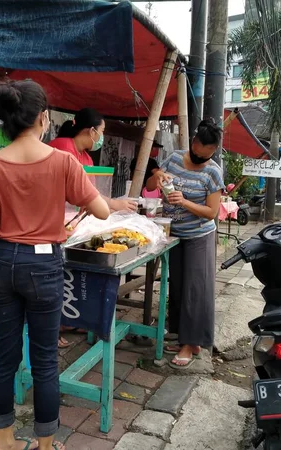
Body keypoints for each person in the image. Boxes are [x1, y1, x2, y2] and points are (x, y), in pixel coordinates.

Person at [0, 80, 110, 450]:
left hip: (2, 261)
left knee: (5, 357)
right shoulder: (64, 162)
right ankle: (46, 445)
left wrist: (2, 249)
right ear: (44, 118)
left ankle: (4, 441)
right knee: (45, 361)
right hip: (44, 264)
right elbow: (100, 209)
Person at [49, 108, 137, 348]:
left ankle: (70, 318)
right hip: (54, 224)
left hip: (74, 224)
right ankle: (53, 327)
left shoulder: (86, 157)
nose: (101, 137)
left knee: (76, 272)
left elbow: (92, 195)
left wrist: (109, 205)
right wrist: (113, 204)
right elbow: (81, 195)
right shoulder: (62, 148)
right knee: (57, 275)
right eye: (101, 132)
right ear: (91, 130)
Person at [146, 119, 224, 369]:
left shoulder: (213, 172)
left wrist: (184, 202)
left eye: (208, 156)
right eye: (199, 155)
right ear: (193, 144)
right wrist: (158, 175)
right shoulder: (175, 159)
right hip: (174, 235)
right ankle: (186, 338)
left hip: (199, 236)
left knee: (195, 291)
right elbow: (150, 185)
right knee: (178, 287)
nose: (203, 160)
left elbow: (211, 212)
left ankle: (191, 344)